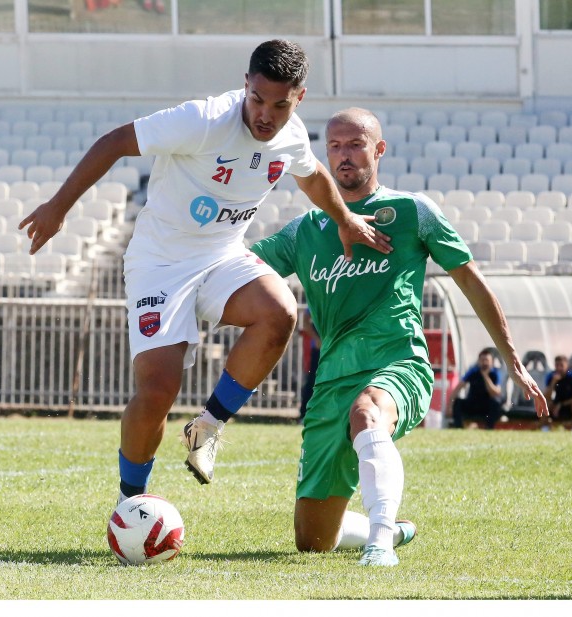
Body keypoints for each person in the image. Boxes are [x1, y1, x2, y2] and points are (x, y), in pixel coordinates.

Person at [19, 40, 391, 504]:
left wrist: (345, 220)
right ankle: (130, 504)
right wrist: (58, 207)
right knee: (158, 391)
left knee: (279, 312)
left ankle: (208, 427)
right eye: (257, 99)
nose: (265, 115)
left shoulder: (291, 135)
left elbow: (313, 175)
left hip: (221, 255)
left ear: (299, 98)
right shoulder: (202, 120)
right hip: (160, 263)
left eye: (279, 105)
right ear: (245, 84)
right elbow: (115, 142)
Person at [250, 107, 548, 566]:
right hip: (331, 381)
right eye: (335, 147)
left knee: (367, 412)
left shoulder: (412, 211)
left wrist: (511, 358)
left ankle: (380, 544)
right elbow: (244, 269)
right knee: (313, 540)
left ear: (379, 149)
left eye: (356, 144)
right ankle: (393, 528)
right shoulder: (305, 230)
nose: (344, 156)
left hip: (399, 361)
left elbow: (469, 280)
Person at [449, 348, 504, 430]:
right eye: (482, 360)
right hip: (473, 404)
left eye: (487, 360)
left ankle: (488, 428)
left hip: (486, 406)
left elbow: (495, 393)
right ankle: (459, 428)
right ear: (478, 361)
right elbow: (458, 388)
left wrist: (485, 376)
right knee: (457, 402)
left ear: (491, 362)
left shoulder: (495, 373)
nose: (484, 363)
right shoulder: (473, 372)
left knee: (496, 404)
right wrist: (450, 405)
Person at [541, 354, 572, 432]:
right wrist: (553, 382)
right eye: (557, 365)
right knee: (544, 404)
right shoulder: (551, 376)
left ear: (567, 365)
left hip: (569, 404)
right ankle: (544, 429)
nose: (559, 368)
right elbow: (546, 396)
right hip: (556, 403)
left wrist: (561, 404)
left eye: (561, 365)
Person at [298, 308, 320, 423]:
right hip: (319, 349)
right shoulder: (318, 298)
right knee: (312, 381)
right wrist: (316, 339)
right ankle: (304, 415)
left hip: (335, 348)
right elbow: (305, 320)